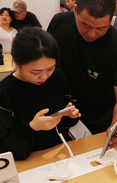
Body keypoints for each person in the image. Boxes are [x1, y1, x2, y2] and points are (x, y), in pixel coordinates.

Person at [47, 0, 117, 148]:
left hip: (98, 117)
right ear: (76, 10)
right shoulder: (59, 23)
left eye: (101, 28)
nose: (92, 34)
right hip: (59, 111)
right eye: (85, 25)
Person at [0, 27, 80, 160]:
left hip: (63, 153)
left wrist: (70, 116)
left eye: (50, 68)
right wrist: (32, 128)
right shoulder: (5, 92)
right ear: (16, 62)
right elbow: (4, 149)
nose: (44, 77)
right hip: (29, 162)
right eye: (35, 72)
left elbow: (67, 123)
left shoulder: (58, 77)